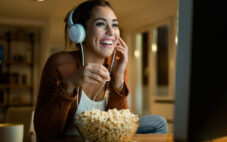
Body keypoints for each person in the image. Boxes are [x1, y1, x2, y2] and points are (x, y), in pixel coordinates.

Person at [34, 0, 167, 141]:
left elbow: (119, 125)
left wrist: (118, 79)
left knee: (158, 122)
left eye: (114, 25)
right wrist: (69, 84)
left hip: (104, 137)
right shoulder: (60, 63)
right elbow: (44, 134)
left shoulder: (116, 65)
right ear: (80, 32)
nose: (111, 32)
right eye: (100, 24)